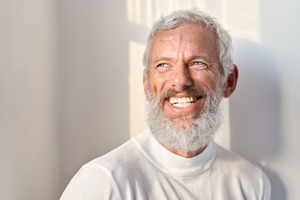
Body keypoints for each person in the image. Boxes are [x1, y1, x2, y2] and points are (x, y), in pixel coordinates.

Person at [61, 8, 271, 200]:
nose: (180, 81)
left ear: (229, 81)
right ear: (146, 84)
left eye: (198, 63)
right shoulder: (105, 181)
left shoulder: (252, 183)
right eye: (163, 65)